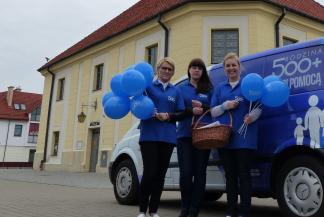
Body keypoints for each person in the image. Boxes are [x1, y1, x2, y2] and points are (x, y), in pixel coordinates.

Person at [209, 53, 262, 217]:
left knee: (244, 176)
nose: (231, 68)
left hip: (245, 139)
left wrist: (252, 117)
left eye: (234, 65)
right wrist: (225, 105)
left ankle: (244, 212)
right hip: (225, 139)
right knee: (230, 177)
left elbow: (259, 107)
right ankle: (230, 211)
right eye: (228, 66)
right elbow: (213, 111)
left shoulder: (248, 84)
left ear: (239, 67)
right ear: (224, 69)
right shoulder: (220, 88)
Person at [137, 57, 185, 217]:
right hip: (149, 136)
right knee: (149, 173)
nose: (166, 71)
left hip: (168, 138)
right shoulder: (147, 87)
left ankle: (154, 210)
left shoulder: (176, 91)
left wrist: (169, 116)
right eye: (164, 68)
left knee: (160, 175)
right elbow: (137, 103)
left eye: (169, 69)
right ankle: (142, 210)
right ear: (158, 70)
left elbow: (181, 113)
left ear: (173, 72)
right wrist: (148, 111)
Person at [176, 58, 213, 217]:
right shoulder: (181, 89)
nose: (196, 70)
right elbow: (176, 112)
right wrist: (191, 110)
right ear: (189, 70)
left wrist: (203, 107)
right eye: (194, 67)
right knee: (185, 173)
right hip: (184, 136)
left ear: (203, 71)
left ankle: (194, 210)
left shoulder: (209, 89)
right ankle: (185, 207)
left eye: (199, 68)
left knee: (200, 174)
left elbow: (215, 109)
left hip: (203, 136)